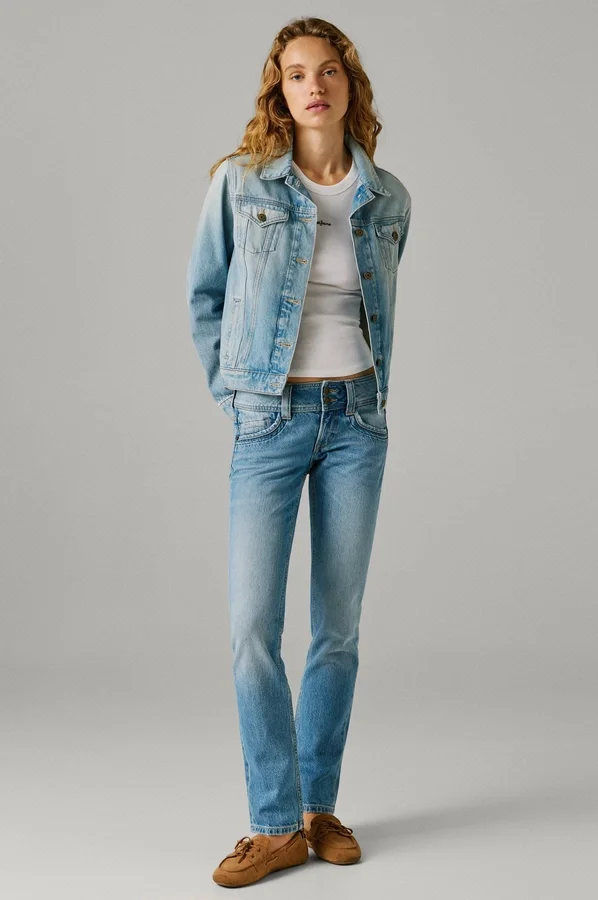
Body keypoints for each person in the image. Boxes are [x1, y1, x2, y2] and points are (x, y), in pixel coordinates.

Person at [186, 16, 411, 888]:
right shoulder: (240, 182)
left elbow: (376, 309)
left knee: (338, 630)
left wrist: (370, 401)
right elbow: (205, 294)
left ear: (350, 84)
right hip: (269, 422)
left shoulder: (388, 197)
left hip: (356, 419)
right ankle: (273, 823)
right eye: (295, 74)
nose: (313, 85)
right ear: (278, 92)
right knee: (253, 627)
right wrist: (238, 397)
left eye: (328, 71)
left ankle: (318, 808)